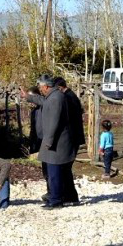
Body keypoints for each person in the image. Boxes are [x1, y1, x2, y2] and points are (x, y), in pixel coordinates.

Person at [36, 75, 74, 209]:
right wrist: (28, 97)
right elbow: (42, 101)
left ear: (46, 86)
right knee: (57, 172)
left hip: (56, 143)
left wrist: (49, 141)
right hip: (56, 142)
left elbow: (54, 122)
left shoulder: (56, 98)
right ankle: (66, 197)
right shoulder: (53, 96)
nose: (40, 90)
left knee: (54, 173)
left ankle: (56, 200)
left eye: (40, 87)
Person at [53, 77, 85, 204]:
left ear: (60, 87)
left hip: (71, 137)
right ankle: (69, 196)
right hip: (74, 136)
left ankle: (70, 196)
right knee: (65, 169)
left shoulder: (68, 98)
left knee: (65, 168)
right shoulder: (71, 96)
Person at [20, 84, 50, 201]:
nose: (30, 101)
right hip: (39, 141)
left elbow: (42, 101)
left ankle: (52, 192)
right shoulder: (34, 111)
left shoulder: (45, 106)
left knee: (49, 168)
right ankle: (49, 191)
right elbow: (34, 129)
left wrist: (29, 96)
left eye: (32, 98)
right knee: (45, 168)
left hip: (46, 141)